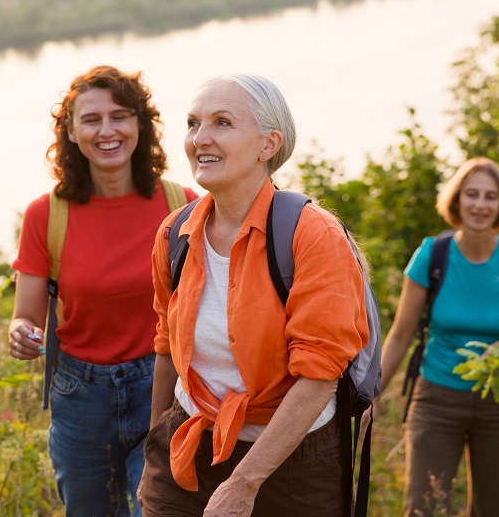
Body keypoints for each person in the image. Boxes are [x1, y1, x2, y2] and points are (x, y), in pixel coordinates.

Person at [137, 74, 370, 516]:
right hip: (189, 443)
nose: (199, 139)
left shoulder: (313, 235)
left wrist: (245, 482)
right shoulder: (175, 233)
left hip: (293, 462)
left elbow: (320, 374)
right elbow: (166, 346)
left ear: (268, 144)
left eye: (222, 123)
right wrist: (157, 451)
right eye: (192, 123)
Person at [7, 65, 196, 517]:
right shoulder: (45, 215)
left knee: (157, 509)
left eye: (120, 116)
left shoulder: (183, 205)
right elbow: (27, 317)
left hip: (164, 386)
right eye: (91, 120)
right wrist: (20, 334)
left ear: (139, 125)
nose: (107, 130)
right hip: (80, 398)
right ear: (70, 132)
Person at [374, 157, 499, 516]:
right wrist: (371, 397)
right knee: (424, 508)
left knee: (494, 510)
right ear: (457, 200)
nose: (480, 205)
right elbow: (401, 335)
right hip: (437, 399)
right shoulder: (432, 255)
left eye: (490, 197)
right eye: (472, 194)